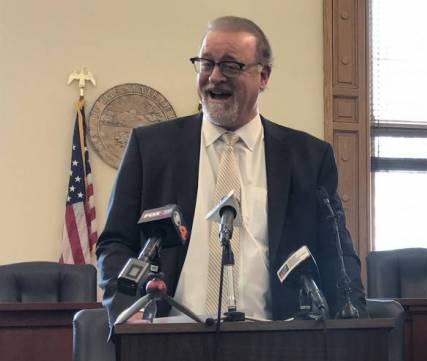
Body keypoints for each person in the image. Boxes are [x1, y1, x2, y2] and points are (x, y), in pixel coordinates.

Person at [97, 16, 367, 327]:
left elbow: (337, 254)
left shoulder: (308, 157)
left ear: (263, 76)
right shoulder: (151, 147)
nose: (214, 77)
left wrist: (355, 325)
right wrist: (127, 310)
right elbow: (115, 242)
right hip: (168, 339)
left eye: (230, 66)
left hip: (277, 342)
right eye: (205, 63)